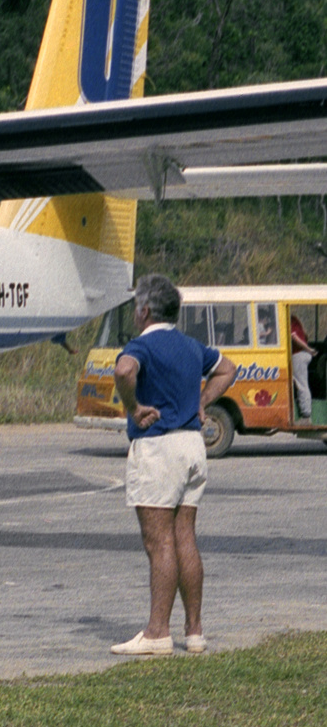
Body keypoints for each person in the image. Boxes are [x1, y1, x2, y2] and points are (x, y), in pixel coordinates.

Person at [110, 275, 237, 655]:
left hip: (158, 446)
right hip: (192, 445)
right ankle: (194, 630)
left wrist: (133, 407)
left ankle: (157, 632)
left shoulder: (140, 345)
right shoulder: (190, 345)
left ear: (144, 311)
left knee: (158, 540)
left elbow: (123, 371)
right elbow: (228, 368)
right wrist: (204, 401)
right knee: (185, 536)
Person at [290, 314, 312, 420]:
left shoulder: (289, 321)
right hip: (303, 354)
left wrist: (309, 349)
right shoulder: (296, 320)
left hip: (298, 354)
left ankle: (306, 415)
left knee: (301, 384)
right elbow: (305, 335)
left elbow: (294, 337)